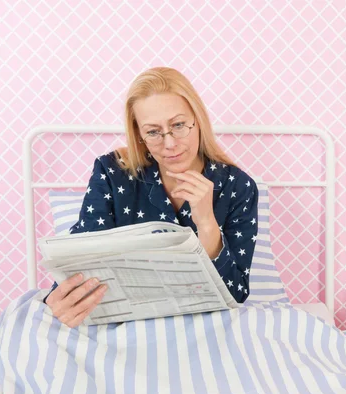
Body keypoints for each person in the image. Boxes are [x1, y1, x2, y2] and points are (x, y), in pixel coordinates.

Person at [43, 67, 259, 328]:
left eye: (179, 125)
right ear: (139, 134)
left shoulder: (238, 186)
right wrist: (59, 299)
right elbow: (83, 252)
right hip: (123, 327)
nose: (169, 144)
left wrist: (207, 224)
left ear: (198, 120)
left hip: (203, 328)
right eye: (153, 132)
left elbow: (235, 295)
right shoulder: (113, 173)